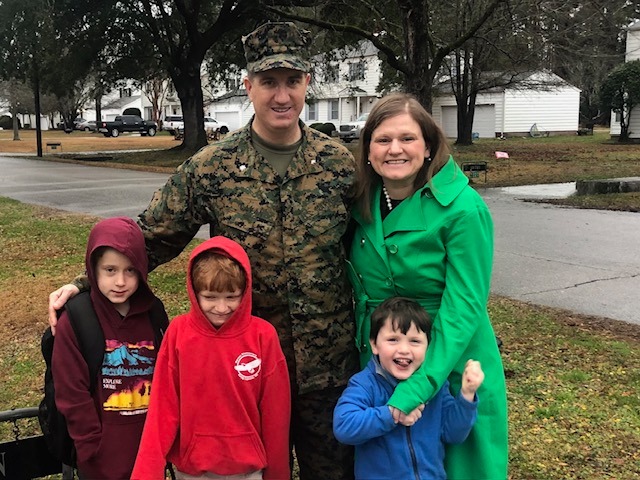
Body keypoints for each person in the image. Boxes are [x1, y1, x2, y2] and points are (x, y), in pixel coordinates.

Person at [48, 21, 358, 479]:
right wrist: (84, 283)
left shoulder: (339, 165)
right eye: (269, 82)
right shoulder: (212, 167)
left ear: (307, 83)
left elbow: (374, 246)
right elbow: (152, 237)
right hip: (238, 371)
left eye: (292, 81)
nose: (281, 95)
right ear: (248, 86)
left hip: (327, 370)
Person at [346, 92, 508, 479]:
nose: (394, 149)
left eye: (407, 139)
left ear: (429, 145)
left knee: (459, 466)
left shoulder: (464, 209)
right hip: (383, 357)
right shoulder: (360, 200)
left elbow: (464, 306)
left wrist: (420, 386)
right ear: (368, 148)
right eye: (382, 140)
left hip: (449, 358)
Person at [131, 236, 290, 480]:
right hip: (193, 469)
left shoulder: (263, 336)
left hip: (247, 469)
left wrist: (278, 474)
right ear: (195, 293)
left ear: (245, 292)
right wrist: (146, 472)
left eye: (231, 296)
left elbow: (276, 413)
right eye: (210, 297)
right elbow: (163, 406)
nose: (221, 307)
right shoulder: (178, 333)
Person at [52, 217, 167, 479]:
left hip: (148, 450)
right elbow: (71, 391)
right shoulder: (77, 319)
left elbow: (168, 378)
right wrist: (90, 445)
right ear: (93, 269)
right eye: (110, 270)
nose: (120, 282)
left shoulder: (154, 314)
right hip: (100, 456)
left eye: (130, 270)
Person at [333, 297, 484, 480]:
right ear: (374, 344)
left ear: (428, 346)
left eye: (414, 341)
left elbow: (453, 434)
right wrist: (391, 414)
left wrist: (467, 396)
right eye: (393, 339)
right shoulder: (365, 384)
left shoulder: (433, 386)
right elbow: (344, 426)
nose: (404, 349)